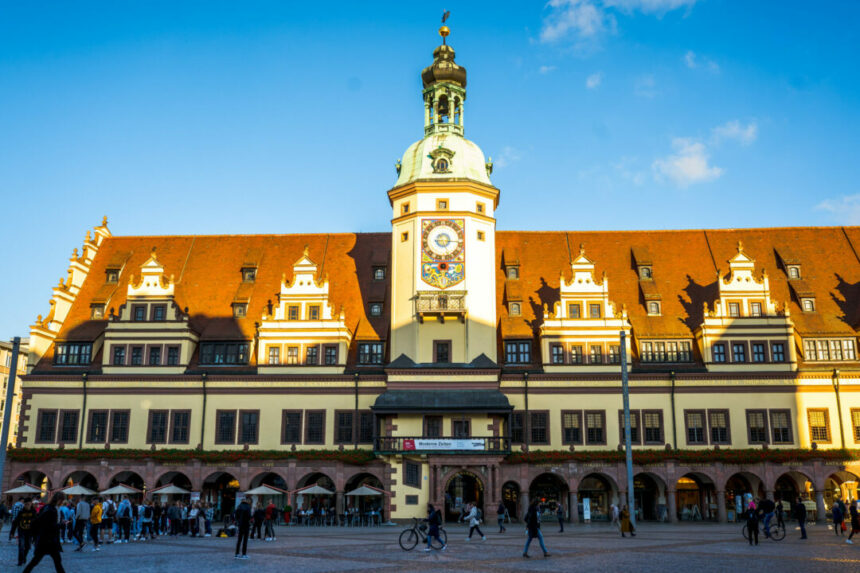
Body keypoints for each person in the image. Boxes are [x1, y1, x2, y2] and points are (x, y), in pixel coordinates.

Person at [23, 491, 66, 573]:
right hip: (48, 540)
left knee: (55, 561)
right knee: (38, 561)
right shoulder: (51, 510)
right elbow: (49, 526)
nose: (62, 502)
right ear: (59, 500)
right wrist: (61, 525)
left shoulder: (47, 507)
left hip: (45, 540)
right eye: (62, 500)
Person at [14, 498, 36, 566]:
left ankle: (24, 557)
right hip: (21, 531)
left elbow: (37, 523)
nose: (27, 506)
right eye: (26, 504)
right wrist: (12, 532)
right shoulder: (21, 512)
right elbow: (15, 522)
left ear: (31, 504)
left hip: (30, 532)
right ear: (24, 504)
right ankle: (20, 561)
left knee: (27, 546)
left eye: (29, 504)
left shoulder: (33, 512)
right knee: (21, 546)